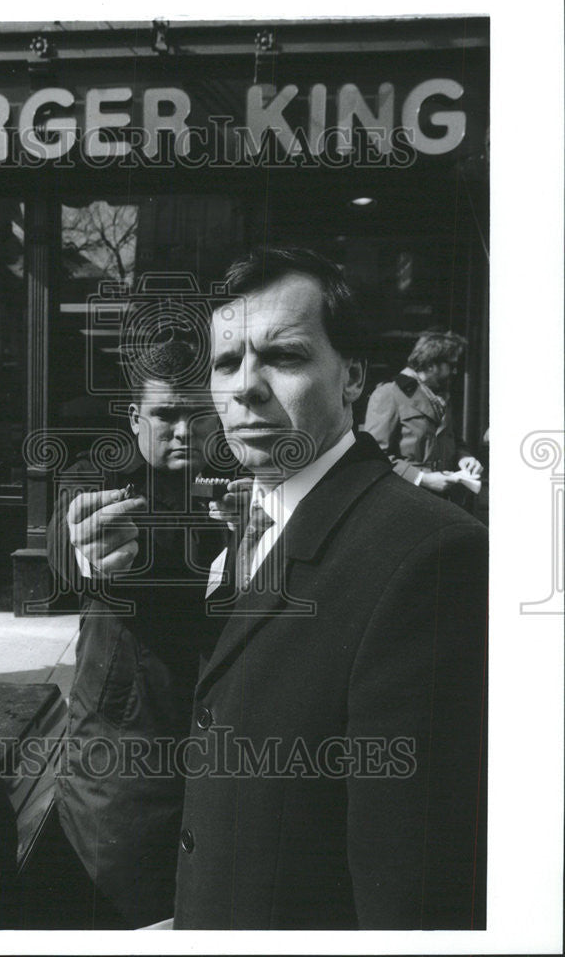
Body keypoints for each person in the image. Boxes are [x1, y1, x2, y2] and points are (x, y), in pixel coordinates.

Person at [173, 247, 488, 930]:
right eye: (226, 363)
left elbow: (412, 886)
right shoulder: (261, 513)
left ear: (353, 378)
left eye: (282, 357)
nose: (244, 387)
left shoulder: (430, 555)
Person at [45, 336, 227, 928]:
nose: (183, 430)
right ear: (135, 419)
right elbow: (66, 535)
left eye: (199, 414)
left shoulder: (242, 477)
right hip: (124, 742)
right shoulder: (103, 476)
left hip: (218, 731)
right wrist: (85, 553)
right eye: (166, 414)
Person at [363, 330, 483, 496]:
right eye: (452, 365)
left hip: (442, 500)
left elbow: (452, 440)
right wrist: (422, 478)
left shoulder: (438, 396)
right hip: (405, 497)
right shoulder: (389, 393)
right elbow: (372, 456)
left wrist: (463, 458)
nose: (455, 372)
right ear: (430, 365)